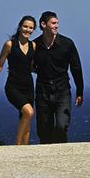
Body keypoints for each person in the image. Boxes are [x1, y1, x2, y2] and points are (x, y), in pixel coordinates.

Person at [0, 15, 37, 145]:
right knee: (29, 112)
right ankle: (17, 145)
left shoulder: (33, 45)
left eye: (31, 28)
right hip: (13, 87)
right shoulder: (10, 44)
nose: (28, 30)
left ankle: (24, 151)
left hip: (28, 87)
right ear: (20, 27)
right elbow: (0, 64)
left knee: (27, 122)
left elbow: (31, 66)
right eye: (25, 26)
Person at [33, 11, 84, 144]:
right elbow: (28, 65)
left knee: (62, 126)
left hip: (62, 91)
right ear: (43, 24)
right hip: (42, 92)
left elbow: (76, 68)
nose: (56, 26)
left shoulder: (67, 44)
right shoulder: (34, 45)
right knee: (44, 131)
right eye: (53, 23)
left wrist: (80, 91)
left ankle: (61, 154)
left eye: (57, 23)